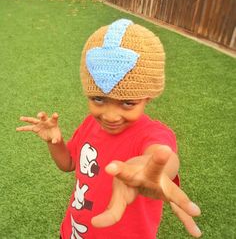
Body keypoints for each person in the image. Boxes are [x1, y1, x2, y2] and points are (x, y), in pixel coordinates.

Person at [17, 19, 201, 238]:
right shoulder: (89, 124)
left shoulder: (152, 134)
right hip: (74, 231)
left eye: (127, 103)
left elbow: (164, 158)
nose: (110, 116)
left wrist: (148, 168)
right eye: (98, 99)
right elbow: (69, 164)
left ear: (147, 98)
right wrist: (54, 143)